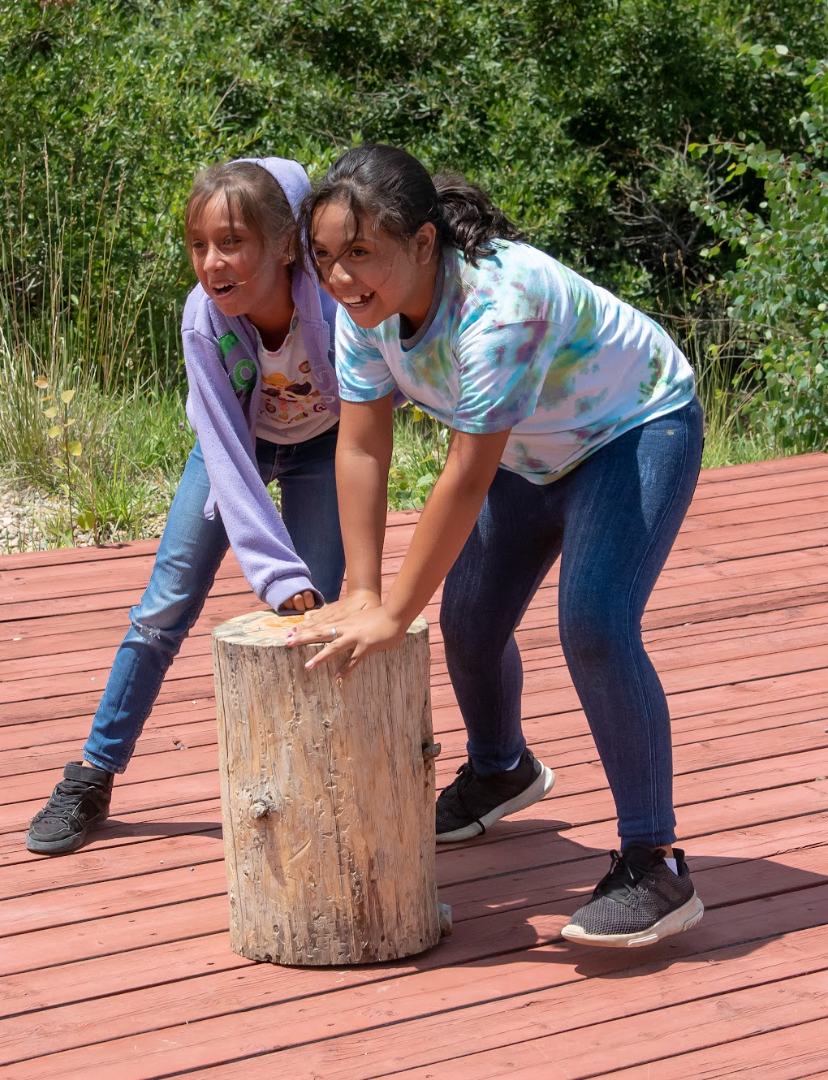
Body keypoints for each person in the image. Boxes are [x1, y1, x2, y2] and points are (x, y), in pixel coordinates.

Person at [288, 144, 705, 947]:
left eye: (360, 254)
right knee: (469, 621)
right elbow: (364, 447)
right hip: (530, 447)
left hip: (634, 429)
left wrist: (394, 607)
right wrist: (366, 593)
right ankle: (500, 769)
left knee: (594, 625)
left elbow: (464, 476)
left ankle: (655, 861)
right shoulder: (362, 314)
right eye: (327, 257)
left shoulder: (497, 306)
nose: (340, 278)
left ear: (423, 244)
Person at [26, 157, 345, 855]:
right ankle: (92, 774)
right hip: (234, 447)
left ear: (286, 244)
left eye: (232, 242)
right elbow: (228, 458)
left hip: (326, 448)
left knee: (322, 620)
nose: (212, 262)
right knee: (162, 608)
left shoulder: (330, 302)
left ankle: (322, 779)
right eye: (199, 245)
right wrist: (275, 575)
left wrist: (302, 586)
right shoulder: (204, 320)